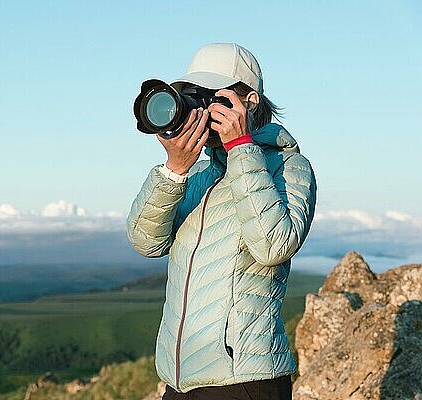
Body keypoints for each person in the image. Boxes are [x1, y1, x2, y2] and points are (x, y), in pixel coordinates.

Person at [126, 43, 317, 400]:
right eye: (193, 97)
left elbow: (273, 246)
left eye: (214, 96)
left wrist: (242, 148)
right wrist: (175, 170)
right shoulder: (197, 173)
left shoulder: (289, 167)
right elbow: (145, 242)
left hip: (244, 379)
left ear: (250, 102)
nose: (204, 109)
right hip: (179, 382)